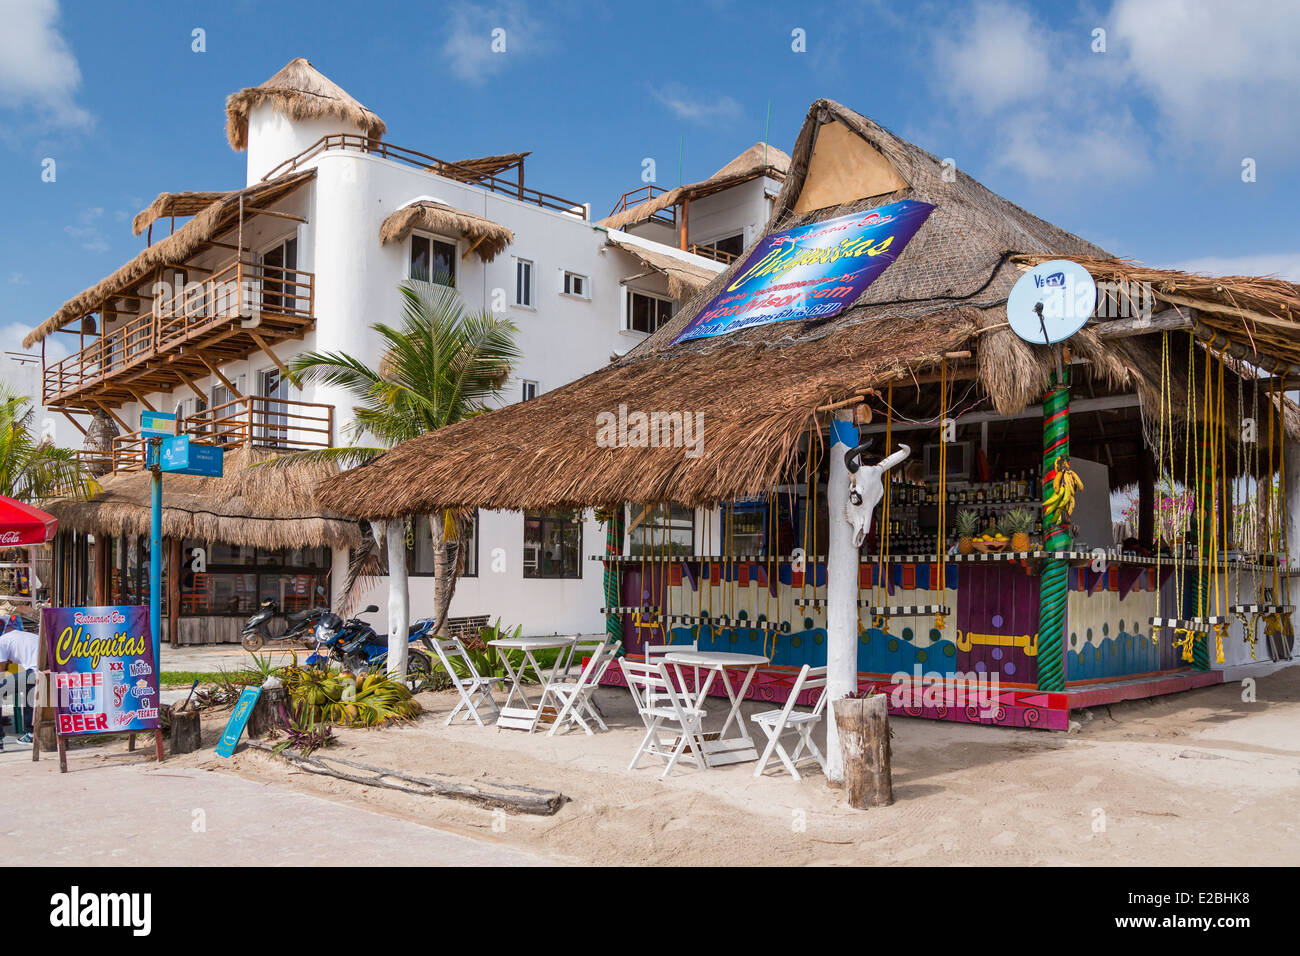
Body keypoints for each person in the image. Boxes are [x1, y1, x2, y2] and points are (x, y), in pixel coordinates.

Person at [0, 611, 38, 747]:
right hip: (46, 672)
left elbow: (1, 670)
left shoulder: (2, 641)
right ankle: (31, 733)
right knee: (30, 691)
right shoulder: (27, 635)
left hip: (34, 673)